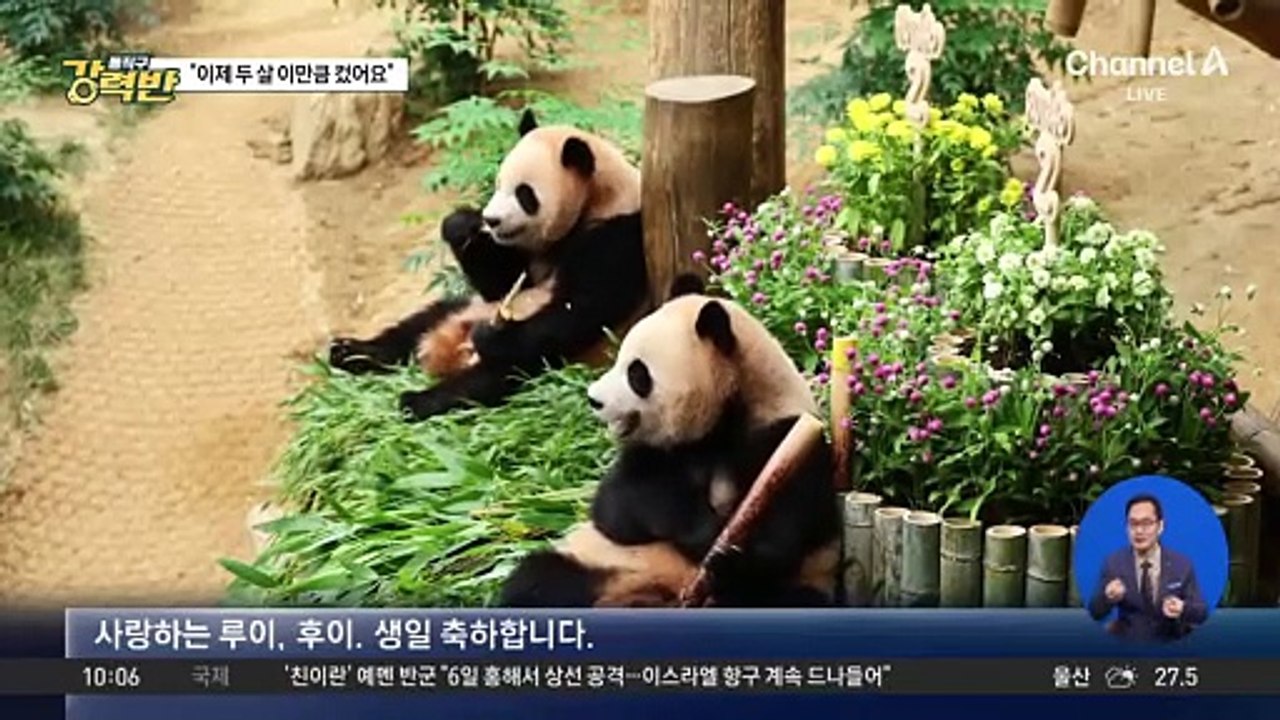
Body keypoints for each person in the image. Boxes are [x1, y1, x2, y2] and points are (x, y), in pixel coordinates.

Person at [1087, 493, 1208, 641]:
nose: (1139, 531)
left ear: (1160, 526)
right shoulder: (1114, 563)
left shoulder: (1182, 564)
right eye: (1133, 524)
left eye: (1146, 523)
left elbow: (1201, 612)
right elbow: (1095, 612)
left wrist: (1182, 608)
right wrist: (1108, 597)